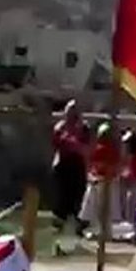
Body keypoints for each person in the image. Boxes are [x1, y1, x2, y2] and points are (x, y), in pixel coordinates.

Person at [51, 99, 90, 234]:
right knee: (62, 197)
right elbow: (58, 144)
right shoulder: (60, 127)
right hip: (63, 166)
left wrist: (73, 145)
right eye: (69, 111)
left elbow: (85, 148)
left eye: (74, 111)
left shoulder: (84, 128)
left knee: (78, 196)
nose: (71, 115)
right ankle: (59, 226)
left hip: (78, 166)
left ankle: (78, 226)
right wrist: (72, 144)